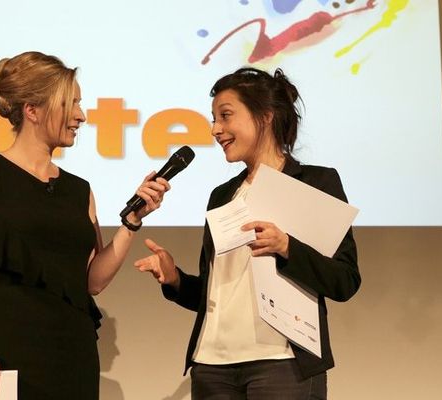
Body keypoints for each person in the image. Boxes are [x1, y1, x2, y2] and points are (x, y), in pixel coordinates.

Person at [0, 51, 170, 400]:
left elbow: (92, 281)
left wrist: (131, 223)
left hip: (74, 351)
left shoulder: (79, 189)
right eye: (71, 104)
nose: (81, 116)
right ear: (32, 110)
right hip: (8, 347)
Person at [135, 67, 360, 399]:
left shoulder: (316, 183)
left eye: (225, 116)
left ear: (265, 117)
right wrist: (175, 279)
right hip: (212, 366)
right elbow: (216, 296)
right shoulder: (222, 195)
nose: (215, 129)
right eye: (213, 119)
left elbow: (345, 280)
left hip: (281, 364)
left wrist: (287, 248)